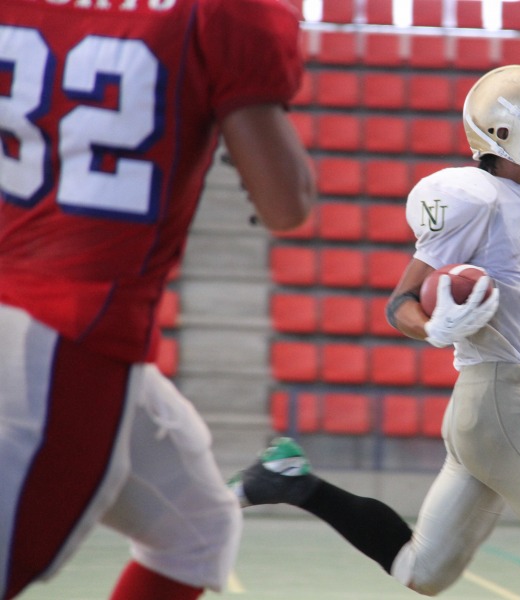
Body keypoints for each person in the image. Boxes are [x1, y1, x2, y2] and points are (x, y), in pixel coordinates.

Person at [229, 64, 520, 600]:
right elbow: (401, 302)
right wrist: (434, 327)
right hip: (498, 402)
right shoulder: (476, 198)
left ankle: (291, 481)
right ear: (503, 133)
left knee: (422, 569)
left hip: (506, 406)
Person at [0, 0, 316, 597]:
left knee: (195, 528)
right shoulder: (223, 12)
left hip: (28, 305)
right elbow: (285, 203)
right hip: (71, 334)